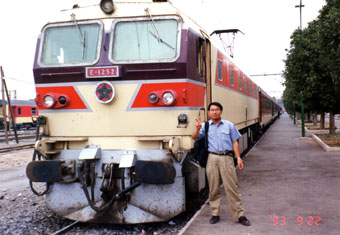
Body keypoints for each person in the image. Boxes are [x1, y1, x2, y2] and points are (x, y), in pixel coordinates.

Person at [192, 102, 251, 226]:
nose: (214, 112)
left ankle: (240, 215)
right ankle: (215, 214)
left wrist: (238, 158)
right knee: (213, 188)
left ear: (221, 112)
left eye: (217, 109)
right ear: (208, 113)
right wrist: (197, 129)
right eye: (212, 110)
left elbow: (235, 142)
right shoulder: (205, 126)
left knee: (232, 187)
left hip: (227, 158)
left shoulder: (229, 125)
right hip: (212, 158)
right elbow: (194, 137)